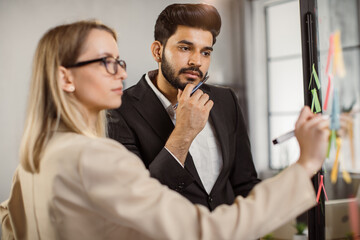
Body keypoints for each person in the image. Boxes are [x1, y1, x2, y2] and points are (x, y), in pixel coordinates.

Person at [0, 20, 330, 240]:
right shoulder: (95, 156)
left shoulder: (37, 157)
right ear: (65, 78)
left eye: (120, 61)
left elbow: (9, 225)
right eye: (105, 62)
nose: (120, 74)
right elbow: (207, 232)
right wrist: (305, 165)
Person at [108, 3, 260, 211]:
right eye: (185, 48)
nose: (196, 61)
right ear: (157, 51)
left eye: (205, 53)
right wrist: (184, 133)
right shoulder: (118, 110)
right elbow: (136, 202)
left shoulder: (226, 100)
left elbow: (245, 183)